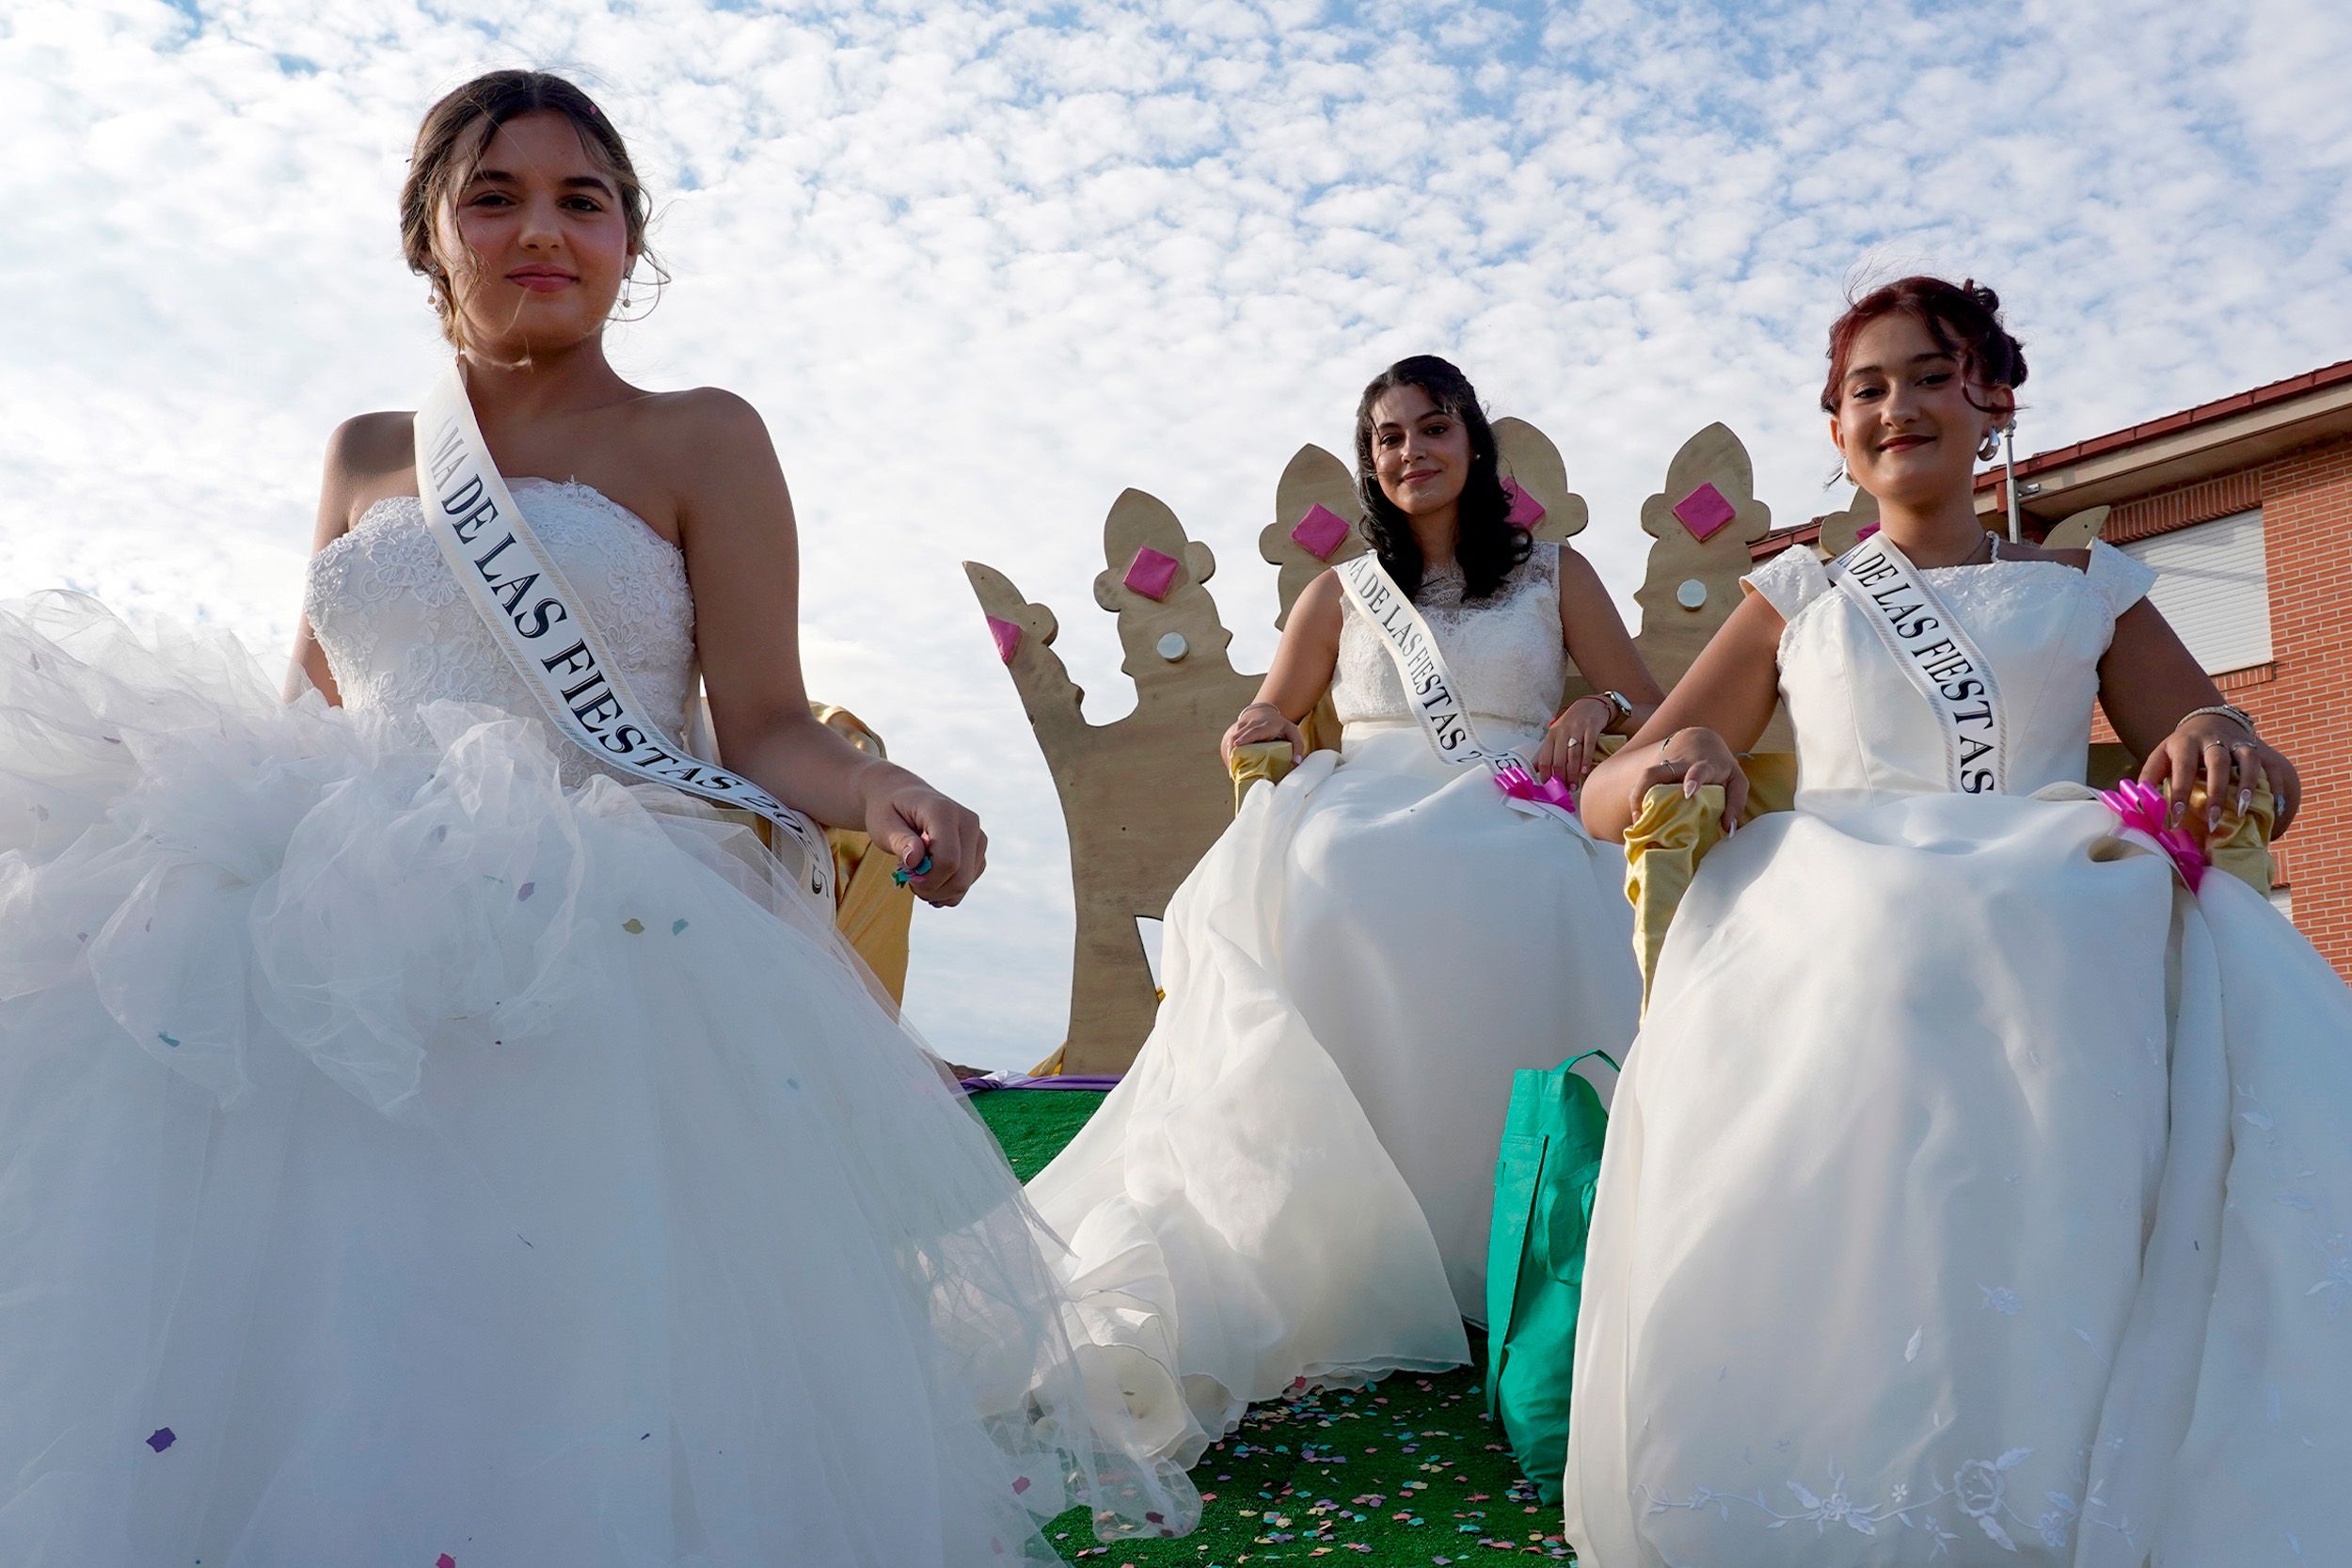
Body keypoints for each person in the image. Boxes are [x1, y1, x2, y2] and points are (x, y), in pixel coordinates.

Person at [0, 70, 1193, 1566]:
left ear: (634, 240)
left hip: (595, 923)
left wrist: (882, 786)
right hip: (327, 918)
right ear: (432, 235)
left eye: (586, 200)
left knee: (569, 1334)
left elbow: (760, 722)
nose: (542, 231)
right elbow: (312, 705)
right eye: (494, 197)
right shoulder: (371, 447)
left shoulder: (702, 434)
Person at [1561, 277, 2348, 1566]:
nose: (1897, 405)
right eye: (1865, 388)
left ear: (1993, 402)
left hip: (2056, 909)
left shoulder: (2090, 584)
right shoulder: (1800, 591)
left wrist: (2217, 728)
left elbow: (2273, 783)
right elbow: (1604, 792)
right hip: (1835, 910)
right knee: (1861, 948)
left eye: (1929, 375)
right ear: (1835, 430)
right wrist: (1681, 748)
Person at [1028, 355, 1661, 1464]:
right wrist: (1256, 731)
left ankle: (1519, 1240)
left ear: (1473, 441)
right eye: (1387, 437)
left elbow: (1650, 701)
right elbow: (1273, 706)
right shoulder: (1340, 590)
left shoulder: (1557, 576)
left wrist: (1594, 703)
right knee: (1326, 879)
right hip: (1364, 798)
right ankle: (1354, 1254)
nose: (1411, 452)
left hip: (1514, 799)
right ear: (1371, 461)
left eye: (1432, 428)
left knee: (1551, 884)